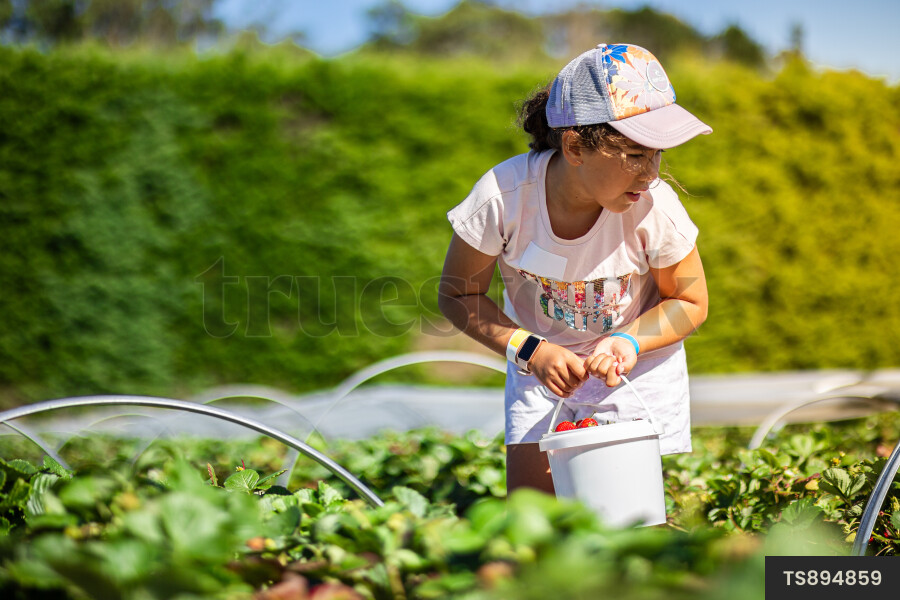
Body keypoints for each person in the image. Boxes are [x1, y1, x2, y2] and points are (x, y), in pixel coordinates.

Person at [437, 43, 711, 495]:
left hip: (632, 371)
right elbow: (458, 295)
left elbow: (689, 301)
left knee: (633, 521)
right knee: (534, 517)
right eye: (635, 155)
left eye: (657, 155)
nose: (650, 174)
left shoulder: (655, 206)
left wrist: (627, 342)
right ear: (575, 146)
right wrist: (532, 351)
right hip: (538, 370)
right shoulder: (502, 199)